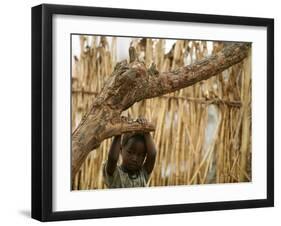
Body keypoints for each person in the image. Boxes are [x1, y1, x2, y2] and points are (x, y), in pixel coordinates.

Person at [102, 117, 157, 188]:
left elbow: (152, 154)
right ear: (121, 150)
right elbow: (113, 158)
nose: (134, 158)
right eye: (130, 152)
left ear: (145, 156)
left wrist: (146, 130)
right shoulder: (114, 174)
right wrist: (119, 131)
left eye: (140, 155)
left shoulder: (143, 174)